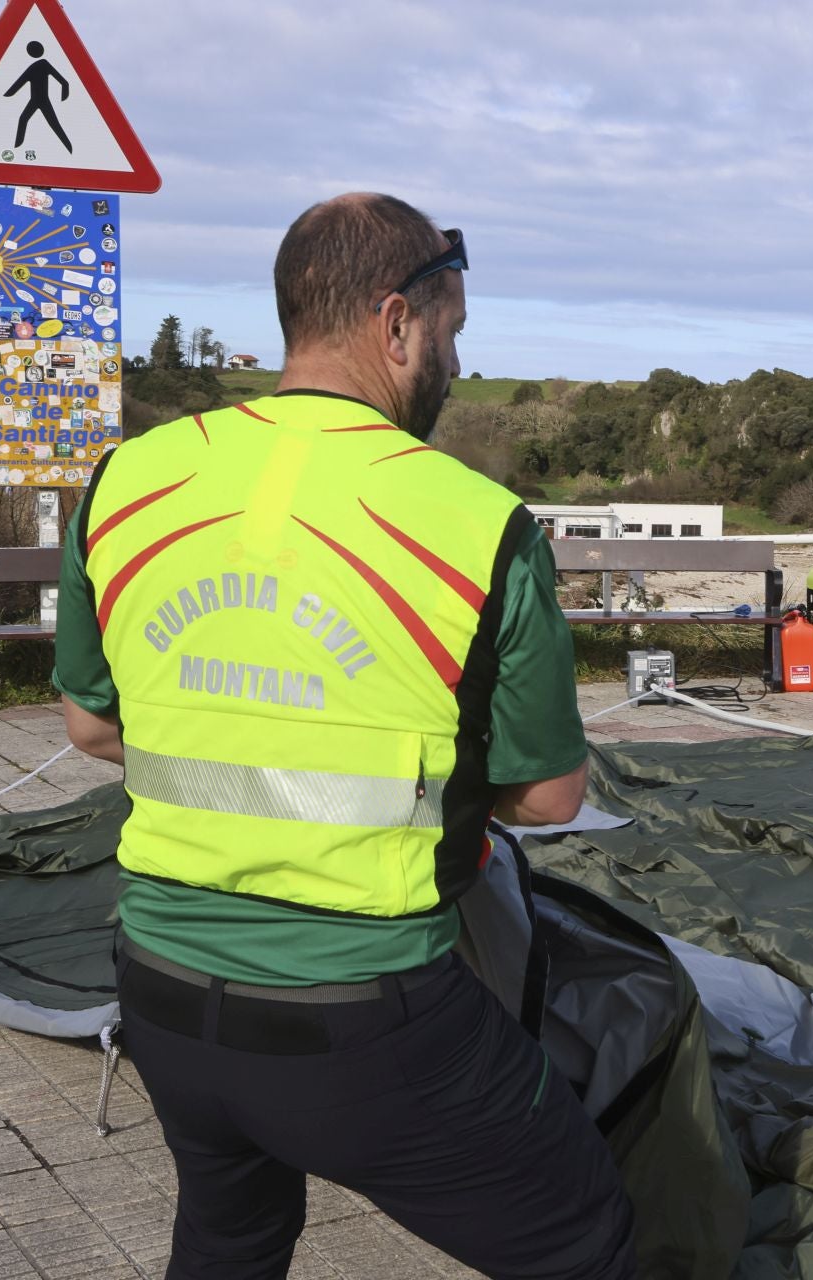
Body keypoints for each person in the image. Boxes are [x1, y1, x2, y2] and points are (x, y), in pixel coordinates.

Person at [53, 193, 637, 1279]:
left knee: (230, 1236)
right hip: (369, 1023)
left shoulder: (127, 479)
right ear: (397, 323)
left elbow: (91, 722)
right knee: (583, 1237)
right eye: (452, 335)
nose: (456, 367)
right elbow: (551, 796)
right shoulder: (480, 524)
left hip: (161, 990)